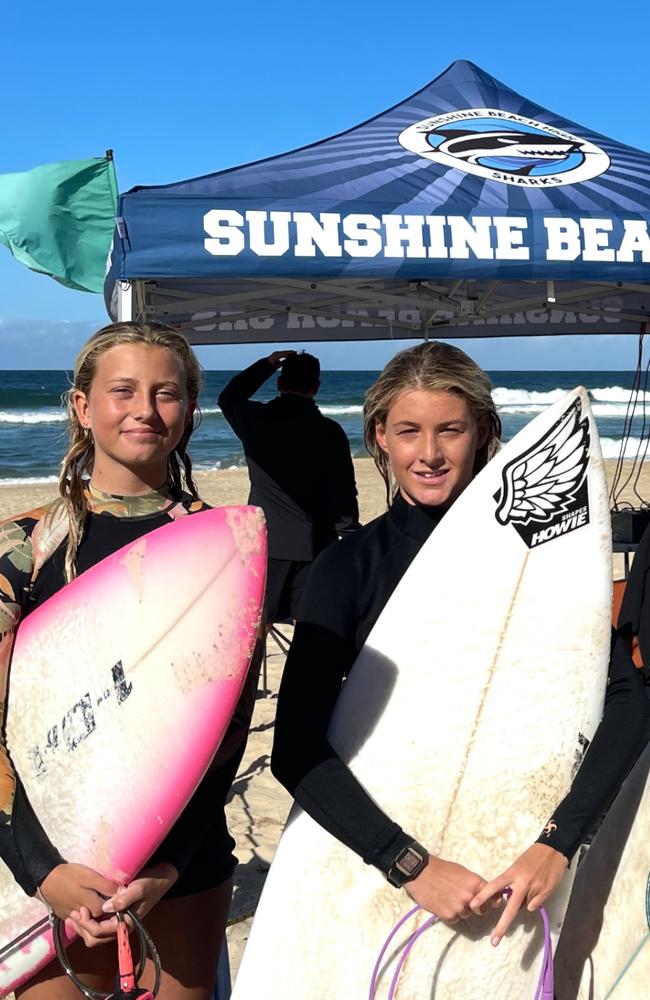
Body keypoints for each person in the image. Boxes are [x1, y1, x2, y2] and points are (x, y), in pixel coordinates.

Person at [271, 340, 648, 947]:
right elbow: (294, 747)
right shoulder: (347, 569)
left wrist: (559, 842)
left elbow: (629, 699)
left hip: (526, 860)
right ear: (380, 437)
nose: (428, 454)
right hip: (387, 863)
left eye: (449, 430)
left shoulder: (536, 561)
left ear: (484, 433)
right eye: (408, 431)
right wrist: (408, 863)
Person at [0, 322, 256, 999]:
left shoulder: (221, 552)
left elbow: (227, 735)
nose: (145, 409)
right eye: (122, 391)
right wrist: (42, 870)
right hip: (35, 862)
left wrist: (168, 865)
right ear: (83, 407)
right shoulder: (25, 549)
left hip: (182, 868)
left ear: (190, 411)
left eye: (166, 393)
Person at [218, 350, 360, 624]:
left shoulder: (256, 420)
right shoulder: (330, 431)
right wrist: (348, 527)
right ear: (316, 388)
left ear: (280, 384)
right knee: (309, 632)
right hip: (316, 545)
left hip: (266, 543)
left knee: (256, 627)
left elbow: (229, 397)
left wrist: (267, 364)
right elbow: (343, 490)